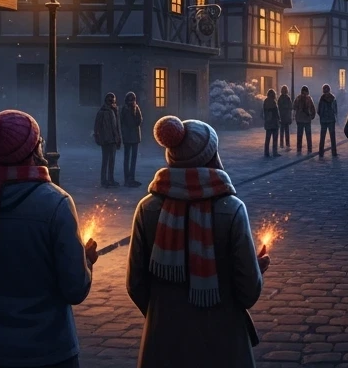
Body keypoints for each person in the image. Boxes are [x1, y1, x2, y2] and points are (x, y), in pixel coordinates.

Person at [0, 110, 97, 368]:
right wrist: (87, 261)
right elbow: (74, 288)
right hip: (49, 350)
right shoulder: (57, 203)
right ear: (33, 150)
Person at [127, 116, 268, 368]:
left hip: (164, 342)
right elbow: (248, 291)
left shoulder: (147, 208)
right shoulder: (232, 209)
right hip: (223, 343)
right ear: (210, 156)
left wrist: (165, 312)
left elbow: (135, 284)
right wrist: (255, 269)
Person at [94, 92, 122, 187]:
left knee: (111, 161)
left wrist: (118, 138)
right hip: (106, 139)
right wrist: (98, 137)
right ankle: (104, 180)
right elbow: (97, 126)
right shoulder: (102, 112)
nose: (111, 101)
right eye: (110, 99)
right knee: (106, 160)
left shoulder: (114, 111)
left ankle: (110, 179)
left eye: (112, 99)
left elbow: (117, 126)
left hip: (113, 139)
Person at [121, 92, 144, 185]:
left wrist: (135, 118)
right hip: (127, 136)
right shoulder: (124, 109)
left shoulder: (136, 108)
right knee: (127, 158)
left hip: (135, 136)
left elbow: (139, 120)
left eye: (132, 99)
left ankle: (132, 178)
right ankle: (127, 179)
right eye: (129, 99)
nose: (131, 101)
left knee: (133, 159)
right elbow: (122, 122)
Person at [317, 84, 339, 157]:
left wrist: (321, 116)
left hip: (323, 120)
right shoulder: (333, 98)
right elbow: (335, 110)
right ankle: (334, 152)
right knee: (332, 137)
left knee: (322, 137)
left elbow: (319, 110)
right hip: (331, 120)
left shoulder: (322, 99)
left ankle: (321, 153)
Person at [293, 85, 316, 154]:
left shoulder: (299, 98)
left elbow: (294, 107)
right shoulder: (308, 99)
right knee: (307, 135)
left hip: (301, 119)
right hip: (305, 119)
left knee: (301, 135)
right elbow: (313, 108)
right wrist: (312, 115)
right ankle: (309, 149)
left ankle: (300, 149)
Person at [262, 89, 280, 158]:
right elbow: (276, 113)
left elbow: (264, 112)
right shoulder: (273, 102)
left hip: (268, 123)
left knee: (267, 139)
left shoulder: (265, 101)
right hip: (274, 123)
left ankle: (266, 153)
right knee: (274, 139)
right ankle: (275, 152)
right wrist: (278, 119)